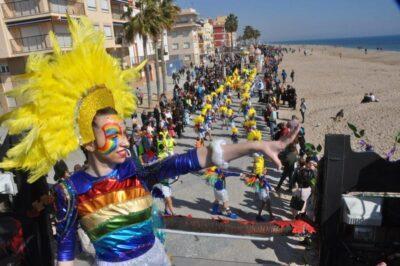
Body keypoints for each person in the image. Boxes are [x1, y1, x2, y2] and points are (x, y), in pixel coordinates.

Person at [0, 19, 300, 265]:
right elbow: (65, 250)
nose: (124, 142)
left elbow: (194, 159)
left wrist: (257, 145)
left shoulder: (135, 172)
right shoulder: (71, 190)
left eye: (124, 133)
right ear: (89, 143)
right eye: (112, 134)